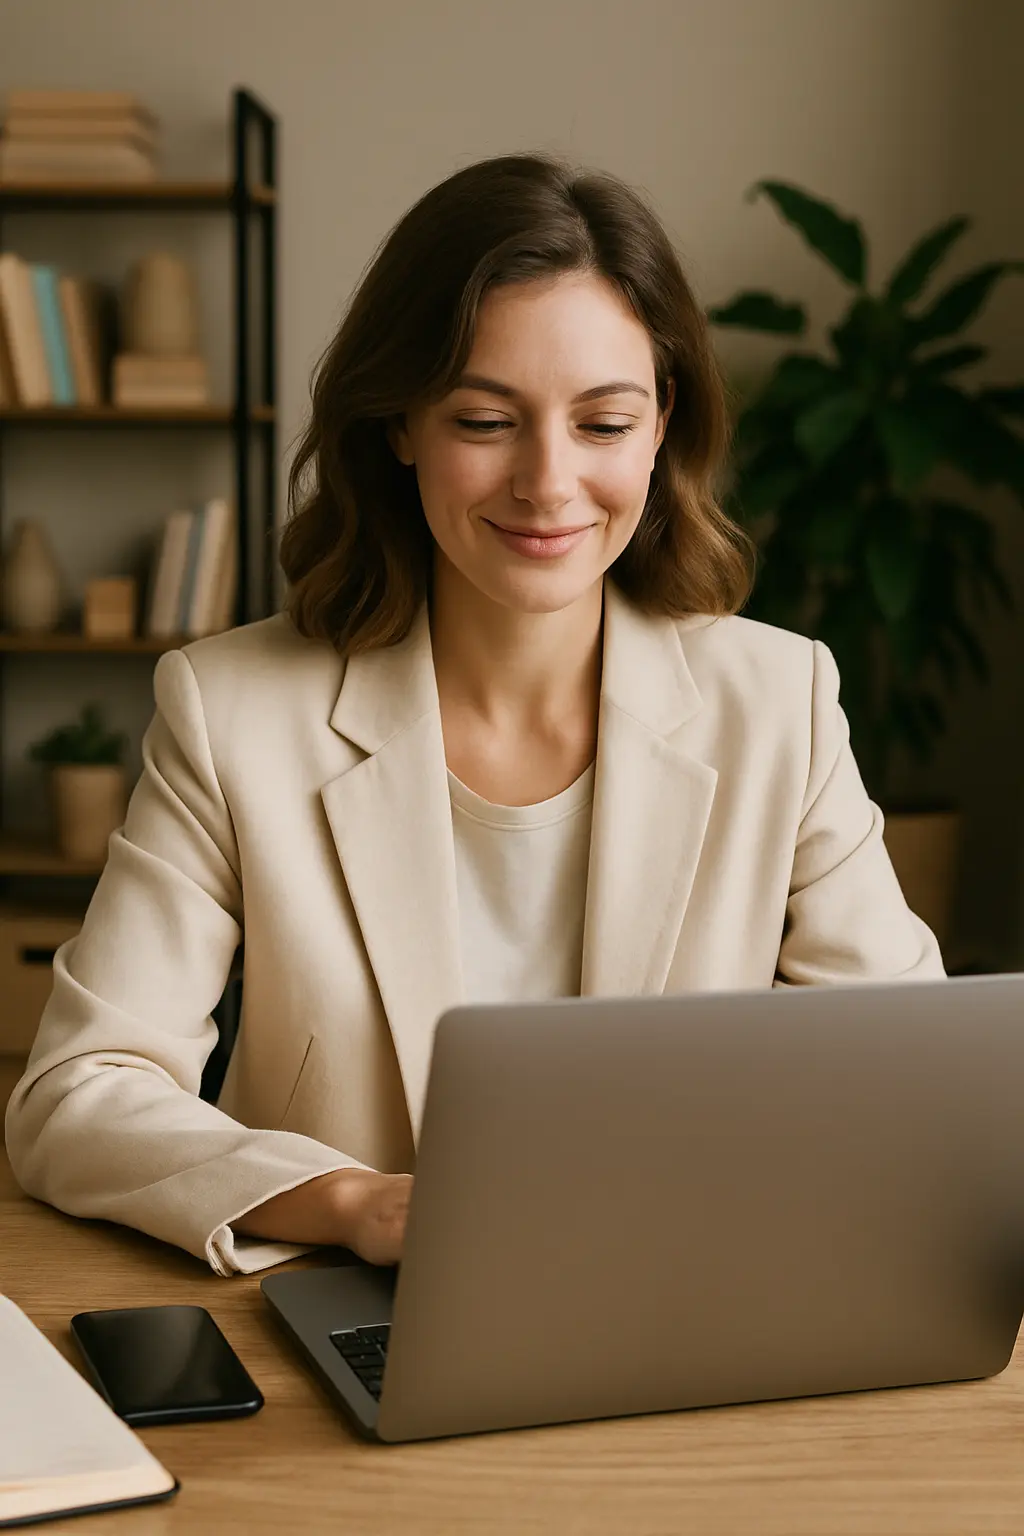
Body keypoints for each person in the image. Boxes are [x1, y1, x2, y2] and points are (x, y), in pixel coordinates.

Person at [4, 152, 944, 1279]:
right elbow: (77, 1094)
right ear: (399, 423)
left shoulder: (778, 704)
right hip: (350, 1320)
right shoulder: (230, 711)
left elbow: (914, 1091)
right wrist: (355, 1203)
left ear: (661, 427)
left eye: (603, 423)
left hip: (685, 1316)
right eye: (487, 419)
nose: (547, 485)